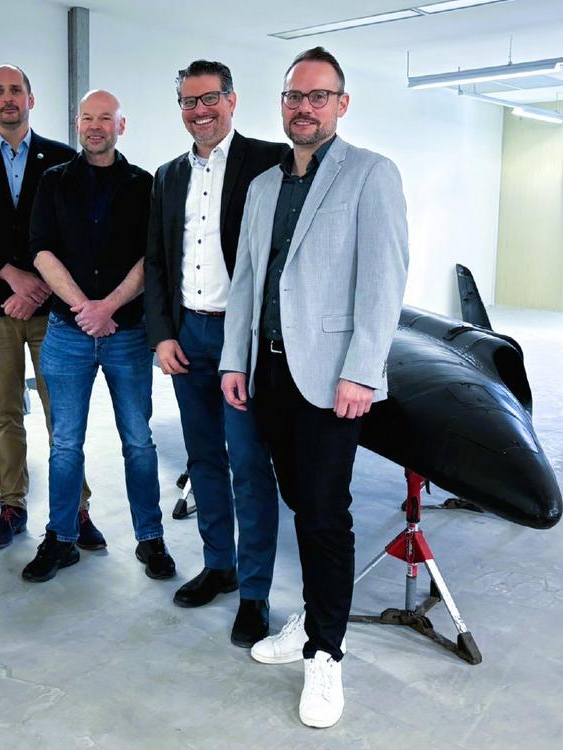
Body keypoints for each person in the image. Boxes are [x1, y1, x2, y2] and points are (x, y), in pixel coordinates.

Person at [220, 47, 409, 727]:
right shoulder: (264, 187)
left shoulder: (371, 174)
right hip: (269, 372)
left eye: (318, 96)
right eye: (294, 96)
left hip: (331, 377)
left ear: (341, 104)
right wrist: (234, 360)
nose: (304, 108)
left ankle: (326, 652)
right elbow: (247, 279)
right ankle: (311, 616)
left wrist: (362, 370)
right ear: (282, 103)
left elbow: (384, 280)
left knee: (325, 513)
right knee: (301, 502)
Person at [143, 60, 287, 646]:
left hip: (242, 337)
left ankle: (254, 592)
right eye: (188, 102)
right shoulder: (167, 175)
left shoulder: (270, 162)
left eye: (209, 99)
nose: (199, 111)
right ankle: (219, 566)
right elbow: (157, 259)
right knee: (203, 459)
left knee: (249, 466)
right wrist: (162, 334)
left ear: (232, 100)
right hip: (188, 337)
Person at [0, 64, 103, 552]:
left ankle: (76, 508)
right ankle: (11, 505)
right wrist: (12, 277)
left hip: (53, 310)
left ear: (31, 99)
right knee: (4, 410)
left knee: (62, 413)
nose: (8, 97)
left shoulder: (63, 158)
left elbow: (76, 235)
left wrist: (40, 288)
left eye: (16, 90)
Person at [23, 89, 173, 583]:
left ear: (120, 126)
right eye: (87, 117)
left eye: (105, 118)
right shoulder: (53, 181)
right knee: (65, 444)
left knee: (139, 441)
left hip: (126, 333)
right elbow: (42, 252)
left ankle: (150, 538)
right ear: (77, 123)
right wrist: (85, 310)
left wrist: (107, 307)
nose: (95, 125)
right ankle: (61, 539)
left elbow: (151, 257)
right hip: (68, 334)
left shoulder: (144, 184)